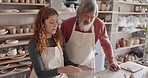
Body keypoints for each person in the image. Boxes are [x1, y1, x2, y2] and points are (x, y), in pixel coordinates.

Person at [28, 7, 93, 78]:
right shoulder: (33, 43)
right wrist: (61, 70)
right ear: (42, 23)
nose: (55, 25)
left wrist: (79, 66)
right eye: (51, 22)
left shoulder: (60, 39)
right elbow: (40, 74)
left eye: (56, 21)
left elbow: (66, 62)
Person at [61, 0, 121, 76]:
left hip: (88, 67)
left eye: (92, 17)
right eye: (86, 16)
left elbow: (106, 44)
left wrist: (111, 62)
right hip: (70, 67)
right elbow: (60, 47)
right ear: (79, 13)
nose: (89, 20)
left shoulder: (99, 25)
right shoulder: (67, 24)